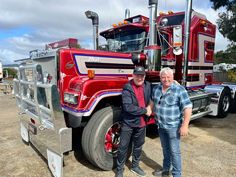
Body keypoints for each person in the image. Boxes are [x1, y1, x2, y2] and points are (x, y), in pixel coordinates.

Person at [152, 67, 192, 177]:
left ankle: (176, 174)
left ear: (172, 77)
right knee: (165, 150)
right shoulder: (156, 88)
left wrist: (185, 125)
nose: (166, 79)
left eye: (168, 77)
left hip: (173, 127)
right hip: (161, 126)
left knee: (175, 152)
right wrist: (149, 108)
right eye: (163, 77)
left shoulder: (179, 89)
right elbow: (152, 100)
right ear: (160, 78)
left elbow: (187, 108)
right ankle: (165, 170)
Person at [115, 66, 152, 177]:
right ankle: (119, 170)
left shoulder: (148, 85)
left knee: (138, 146)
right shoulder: (127, 87)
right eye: (137, 75)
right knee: (123, 147)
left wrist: (173, 83)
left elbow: (154, 96)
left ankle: (135, 166)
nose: (139, 78)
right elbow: (128, 107)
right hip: (129, 122)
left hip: (142, 123)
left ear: (144, 76)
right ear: (133, 75)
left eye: (141, 75)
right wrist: (145, 110)